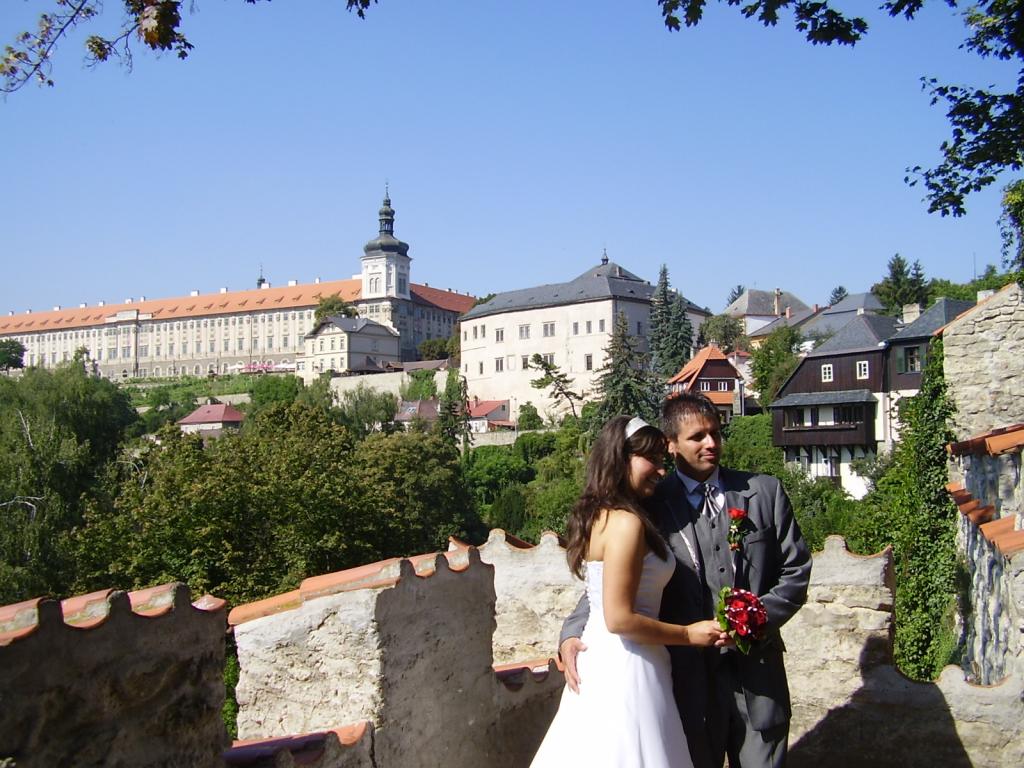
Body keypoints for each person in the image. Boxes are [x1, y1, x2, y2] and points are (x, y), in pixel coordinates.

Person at [561, 393, 811, 768]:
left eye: (716, 433)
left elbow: (796, 570)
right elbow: (614, 583)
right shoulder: (648, 504)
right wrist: (571, 632)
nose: (711, 443)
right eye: (697, 437)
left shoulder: (764, 492)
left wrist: (754, 620)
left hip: (758, 677)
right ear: (671, 445)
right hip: (685, 683)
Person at [530, 415, 730, 768]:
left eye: (662, 460)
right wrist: (688, 634)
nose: (661, 470)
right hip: (627, 665)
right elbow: (619, 619)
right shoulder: (627, 523)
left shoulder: (603, 515)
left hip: (613, 658)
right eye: (651, 459)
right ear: (621, 458)